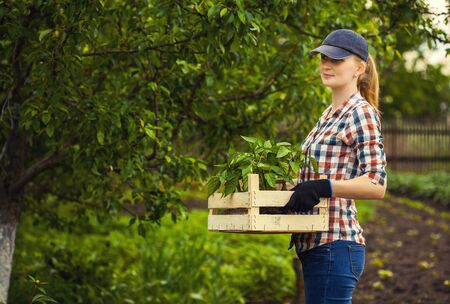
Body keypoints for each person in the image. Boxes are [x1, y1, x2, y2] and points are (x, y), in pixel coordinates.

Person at [283, 29, 388, 303]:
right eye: (322, 58)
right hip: (315, 245)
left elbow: (377, 184)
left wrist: (323, 187)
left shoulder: (360, 113)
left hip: (335, 244)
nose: (326, 64)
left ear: (359, 68)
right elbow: (313, 175)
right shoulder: (328, 115)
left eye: (337, 59)